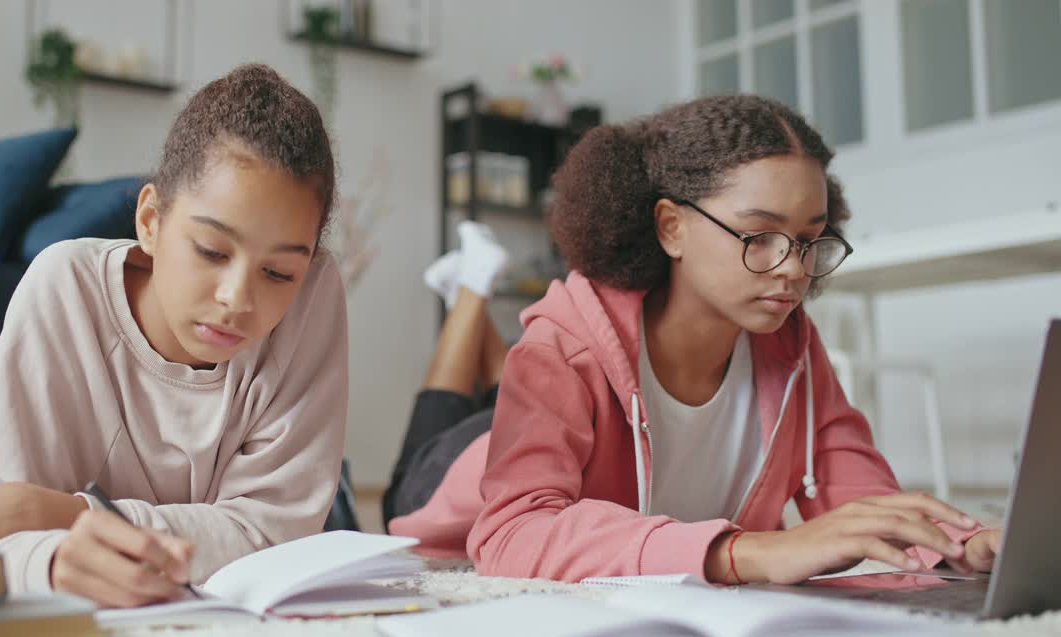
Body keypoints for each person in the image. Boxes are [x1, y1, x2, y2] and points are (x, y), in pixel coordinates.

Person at [387, 95, 1002, 585]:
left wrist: (963, 542)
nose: (792, 268)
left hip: (552, 419)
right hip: (454, 476)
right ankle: (470, 288)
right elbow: (513, 533)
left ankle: (475, 301)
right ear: (672, 226)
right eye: (758, 236)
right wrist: (747, 553)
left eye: (810, 239)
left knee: (514, 383)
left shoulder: (792, 350)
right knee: (439, 425)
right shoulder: (559, 347)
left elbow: (855, 490)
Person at [0, 64, 349, 608]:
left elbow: (275, 537)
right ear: (151, 220)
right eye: (211, 251)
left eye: (278, 273)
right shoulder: (64, 288)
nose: (237, 298)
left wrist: (59, 513)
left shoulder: (315, 295)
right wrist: (58, 562)